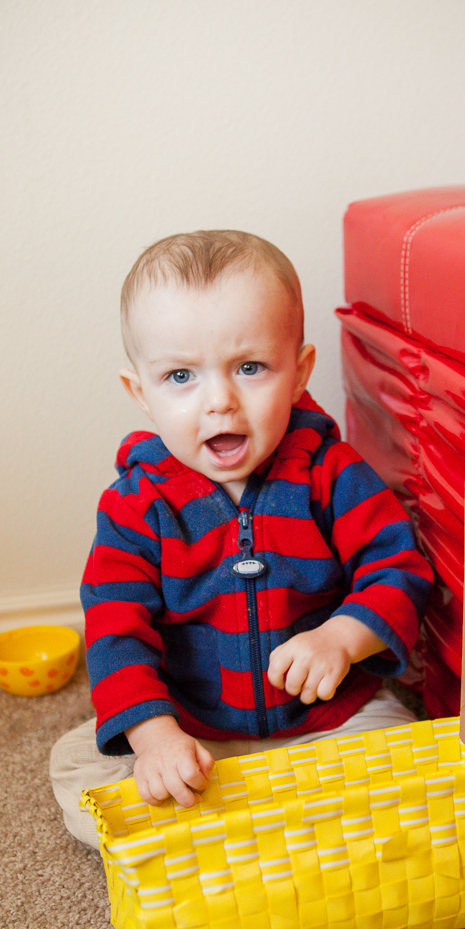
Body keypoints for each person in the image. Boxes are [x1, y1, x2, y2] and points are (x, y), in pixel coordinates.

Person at [50, 230, 433, 846]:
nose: (220, 402)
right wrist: (155, 737)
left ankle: (269, 820)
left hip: (328, 718)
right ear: (139, 394)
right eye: (180, 376)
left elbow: (398, 570)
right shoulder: (135, 505)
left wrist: (343, 635)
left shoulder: (331, 474)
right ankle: (251, 809)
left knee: (409, 766)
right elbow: (115, 629)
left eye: (250, 368)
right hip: (196, 728)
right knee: (78, 772)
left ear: (299, 371)